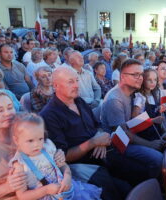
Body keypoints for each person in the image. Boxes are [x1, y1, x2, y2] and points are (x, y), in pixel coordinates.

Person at [40, 66, 131, 200]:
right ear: (56, 86)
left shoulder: (79, 101)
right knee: (125, 190)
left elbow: (97, 126)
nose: (77, 85)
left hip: (104, 154)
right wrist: (93, 142)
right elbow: (63, 157)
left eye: (77, 80)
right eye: (71, 82)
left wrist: (99, 139)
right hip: (84, 168)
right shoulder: (49, 115)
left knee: (137, 175)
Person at [10, 112, 102, 200]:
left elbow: (63, 165)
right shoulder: (20, 165)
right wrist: (46, 190)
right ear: (16, 140)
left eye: (40, 138)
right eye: (30, 141)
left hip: (67, 192)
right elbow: (22, 196)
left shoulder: (47, 146)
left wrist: (67, 177)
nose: (37, 144)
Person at [101, 59, 163, 184]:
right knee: (158, 158)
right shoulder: (115, 99)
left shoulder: (133, 93)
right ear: (122, 76)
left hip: (130, 137)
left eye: (141, 75)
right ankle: (148, 190)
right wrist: (150, 144)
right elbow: (122, 134)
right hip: (116, 148)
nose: (140, 78)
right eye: (135, 75)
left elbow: (134, 121)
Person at [132, 68, 166, 148]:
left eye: (155, 80)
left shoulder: (155, 95)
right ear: (143, 81)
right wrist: (152, 120)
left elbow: (159, 116)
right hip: (146, 136)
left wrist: (165, 132)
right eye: (149, 80)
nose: (153, 82)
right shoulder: (140, 97)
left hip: (157, 133)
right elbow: (135, 119)